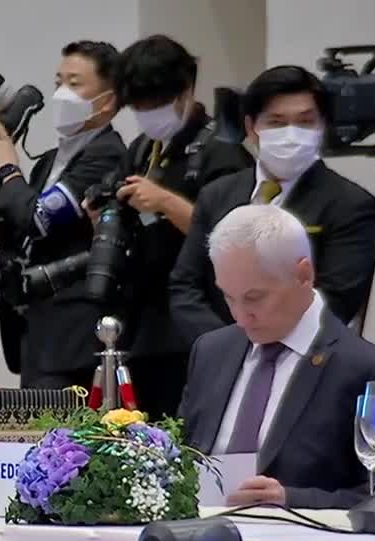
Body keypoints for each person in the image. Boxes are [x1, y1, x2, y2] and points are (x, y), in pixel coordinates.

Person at [178, 205, 375, 509]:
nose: (241, 317)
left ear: (303, 275)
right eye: (228, 297)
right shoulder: (212, 351)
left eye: (254, 297)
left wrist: (292, 500)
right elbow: (182, 459)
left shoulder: (368, 370)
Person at [169, 65, 375, 350]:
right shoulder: (217, 195)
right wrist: (224, 347)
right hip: (215, 357)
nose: (291, 134)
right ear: (251, 127)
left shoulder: (350, 204)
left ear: (322, 126)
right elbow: (185, 286)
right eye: (277, 123)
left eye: (305, 122)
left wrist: (261, 343)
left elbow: (337, 300)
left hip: (302, 360)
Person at [101, 35, 253, 420]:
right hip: (141, 324)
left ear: (186, 89)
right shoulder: (141, 148)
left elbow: (233, 239)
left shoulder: (221, 151)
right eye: (138, 106)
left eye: (156, 104)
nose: (148, 114)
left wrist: (167, 202)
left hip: (194, 322)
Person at [0, 40, 126, 390]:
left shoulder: (107, 154)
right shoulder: (49, 160)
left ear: (108, 100)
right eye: (58, 82)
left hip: (74, 329)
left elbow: (39, 219)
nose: (61, 93)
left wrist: (9, 171)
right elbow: (16, 233)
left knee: (62, 442)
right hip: (36, 322)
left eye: (75, 84)